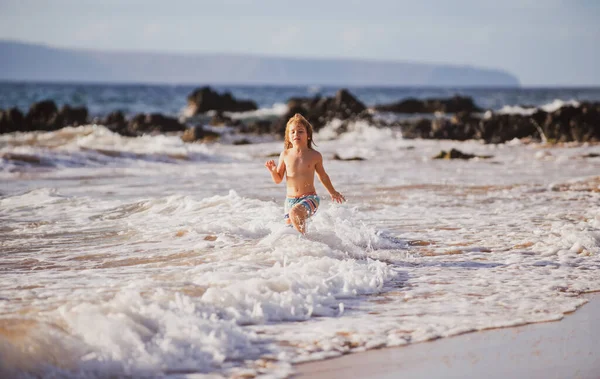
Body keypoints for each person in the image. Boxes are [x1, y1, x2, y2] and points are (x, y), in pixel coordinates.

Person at [265, 113, 345, 234]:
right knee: (291, 234)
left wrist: (332, 192)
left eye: (300, 131)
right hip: (290, 201)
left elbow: (322, 175)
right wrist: (272, 171)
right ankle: (307, 247)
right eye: (292, 132)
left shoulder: (315, 155)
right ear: (288, 137)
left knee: (295, 214)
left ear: (308, 135)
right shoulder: (285, 155)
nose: (296, 134)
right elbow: (278, 179)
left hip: (310, 198)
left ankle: (306, 240)